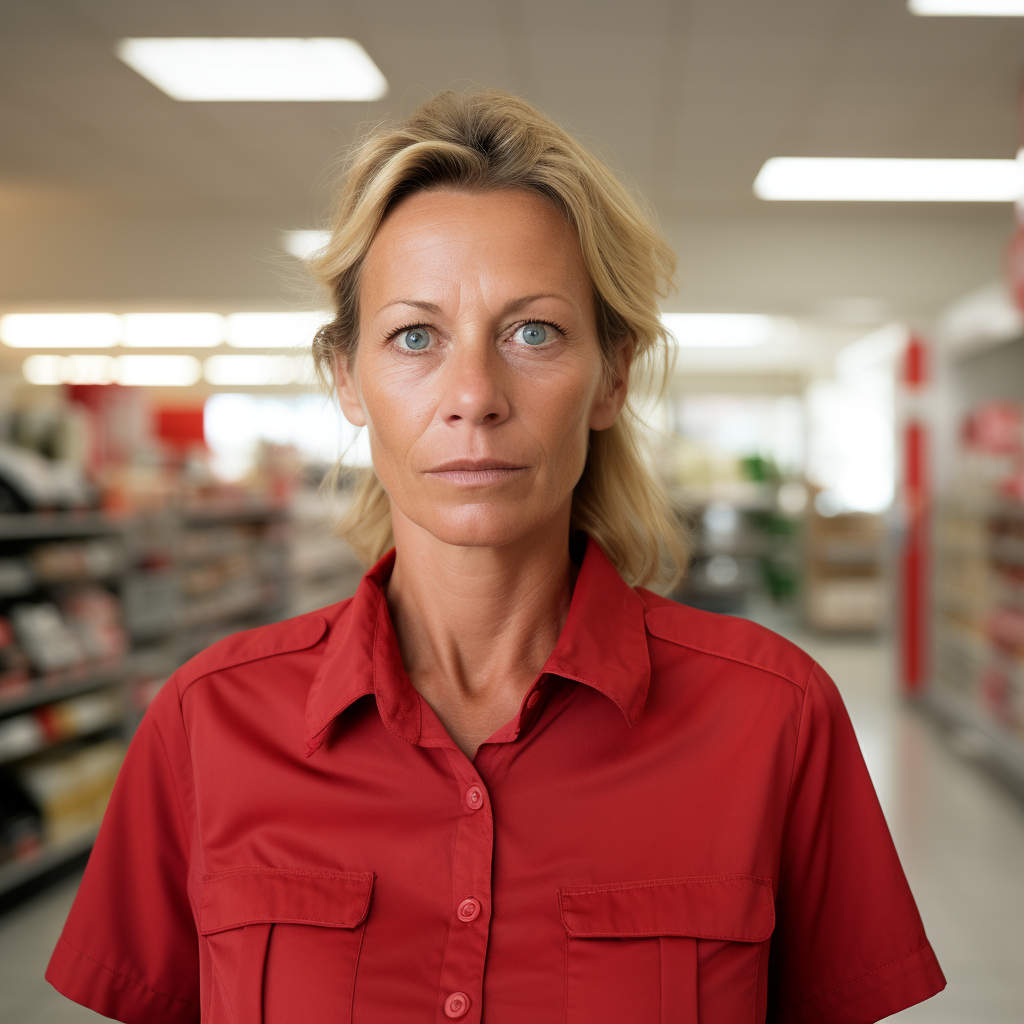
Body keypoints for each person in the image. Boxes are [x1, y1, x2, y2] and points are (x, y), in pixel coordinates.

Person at [46, 90, 944, 1024]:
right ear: (347, 380)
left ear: (613, 375)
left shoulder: (774, 718)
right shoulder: (206, 724)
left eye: (533, 332)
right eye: (415, 337)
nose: (473, 395)